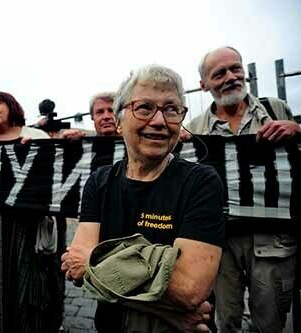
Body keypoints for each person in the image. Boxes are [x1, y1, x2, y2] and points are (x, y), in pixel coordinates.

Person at [61, 64, 225, 332]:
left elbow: (188, 288)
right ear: (118, 121)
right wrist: (165, 307)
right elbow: (77, 270)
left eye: (172, 109)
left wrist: (96, 258)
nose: (160, 121)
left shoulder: (201, 182)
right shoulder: (99, 182)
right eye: (145, 107)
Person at [185, 46, 301, 332]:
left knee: (271, 323)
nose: (231, 77)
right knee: (226, 321)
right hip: (221, 245)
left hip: (272, 242)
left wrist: (297, 131)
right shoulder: (194, 129)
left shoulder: (275, 109)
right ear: (204, 85)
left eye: (235, 68)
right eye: (219, 73)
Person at [0, 91, 64, 333]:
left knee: (28, 289)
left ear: (12, 106)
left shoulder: (36, 136)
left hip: (26, 228)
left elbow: (55, 178)